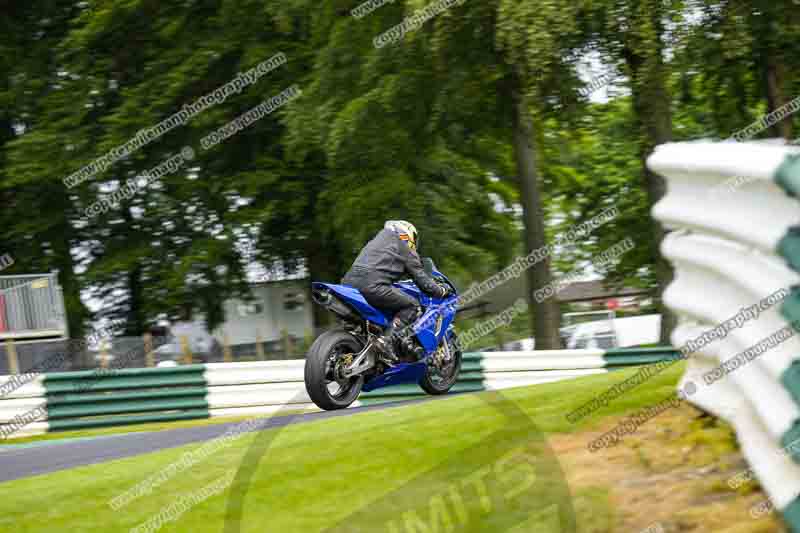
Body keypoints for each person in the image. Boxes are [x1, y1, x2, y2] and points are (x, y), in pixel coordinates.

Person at [342, 220, 451, 360]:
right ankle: (386, 340)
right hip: (372, 287)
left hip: (347, 285)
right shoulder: (404, 248)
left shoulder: (374, 243)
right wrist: (442, 291)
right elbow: (425, 284)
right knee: (412, 305)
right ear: (407, 234)